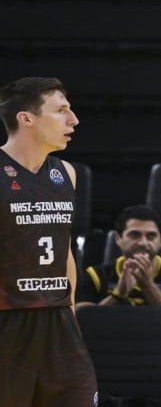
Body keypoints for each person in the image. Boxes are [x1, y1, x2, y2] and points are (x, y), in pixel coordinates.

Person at [0, 77, 97, 405]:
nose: (74, 120)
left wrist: (70, 313)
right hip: (8, 317)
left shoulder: (65, 173)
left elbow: (64, 250)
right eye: (60, 111)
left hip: (58, 321)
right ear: (26, 118)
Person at [75, 205, 161, 343]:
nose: (143, 243)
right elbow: (80, 324)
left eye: (151, 236)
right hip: (108, 345)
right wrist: (117, 295)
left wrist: (148, 287)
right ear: (118, 239)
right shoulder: (95, 275)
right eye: (134, 235)